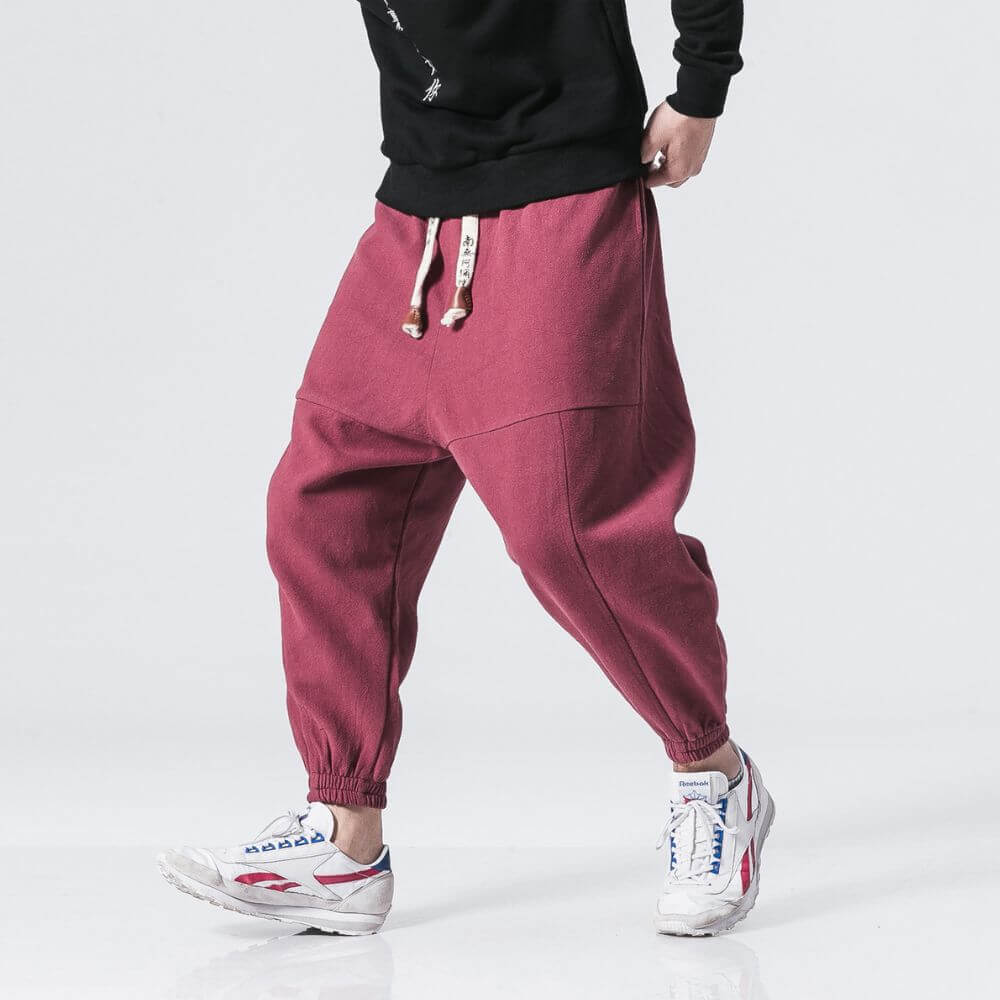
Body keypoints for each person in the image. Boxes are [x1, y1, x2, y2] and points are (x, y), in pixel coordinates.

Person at [158, 0, 774, 938]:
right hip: (416, 212)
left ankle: (713, 772)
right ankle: (345, 841)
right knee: (323, 507)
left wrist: (701, 86)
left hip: (564, 194)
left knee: (568, 528)